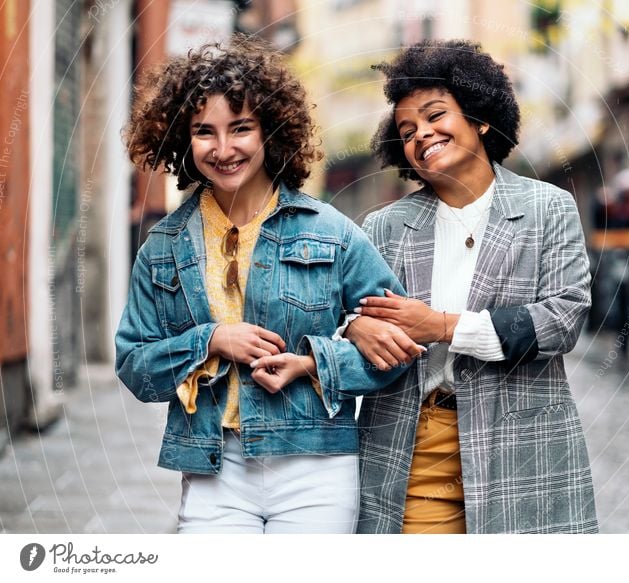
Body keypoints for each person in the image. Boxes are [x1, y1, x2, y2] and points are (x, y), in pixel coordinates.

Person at [115, 35, 419, 534]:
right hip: (214, 467)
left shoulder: (331, 231)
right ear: (182, 140)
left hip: (317, 466)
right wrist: (211, 341)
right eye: (204, 131)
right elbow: (134, 365)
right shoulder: (163, 246)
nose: (223, 148)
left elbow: (402, 345)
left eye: (241, 129)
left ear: (269, 131)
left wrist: (314, 362)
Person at [345, 39, 598, 533]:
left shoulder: (549, 209)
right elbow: (346, 318)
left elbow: (562, 320)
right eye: (407, 130)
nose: (422, 134)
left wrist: (439, 326)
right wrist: (354, 329)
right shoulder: (383, 227)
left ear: (480, 118)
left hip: (523, 444)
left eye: (436, 116)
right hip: (414, 443)